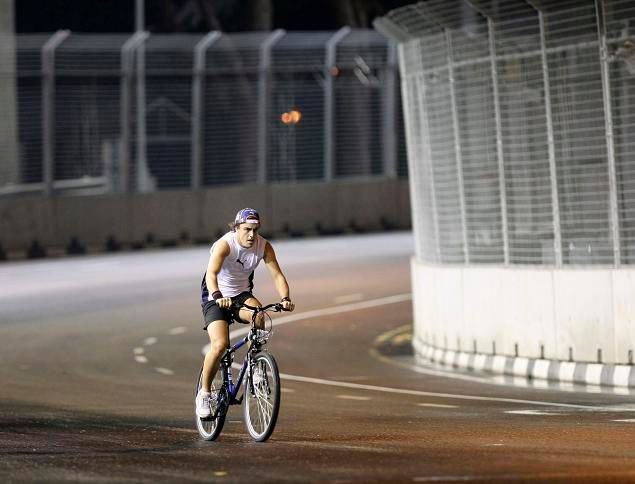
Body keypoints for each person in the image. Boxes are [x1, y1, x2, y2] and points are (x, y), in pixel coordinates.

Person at [196, 208, 295, 418]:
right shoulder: (225, 245)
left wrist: (285, 298)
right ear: (237, 228)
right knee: (220, 345)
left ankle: (255, 366)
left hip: (241, 294)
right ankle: (204, 394)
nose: (252, 235)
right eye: (247, 230)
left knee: (259, 314)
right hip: (215, 295)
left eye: (255, 230)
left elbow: (278, 276)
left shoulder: (264, 246)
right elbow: (211, 274)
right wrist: (217, 295)